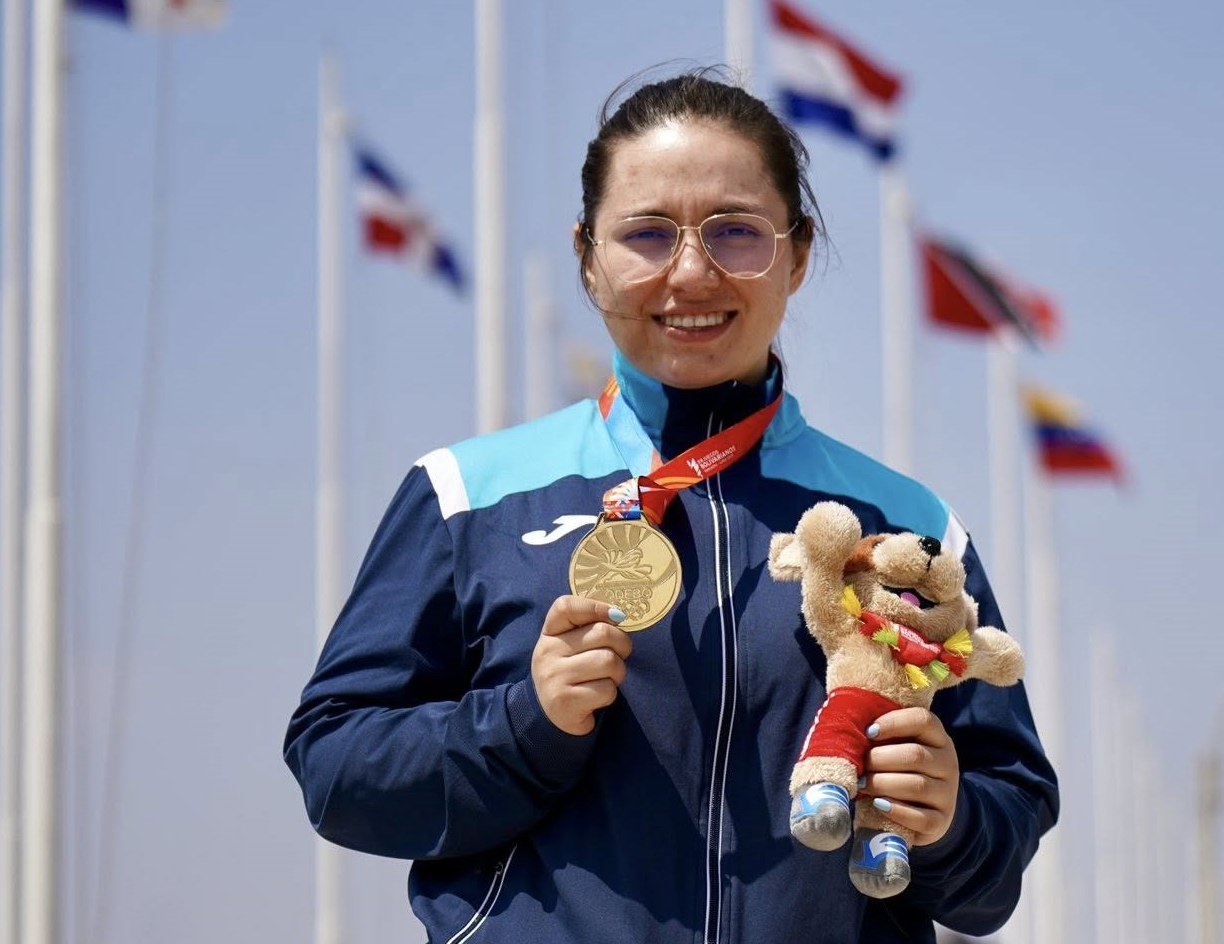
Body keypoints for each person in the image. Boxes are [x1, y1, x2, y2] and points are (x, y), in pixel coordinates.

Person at [284, 68, 1058, 944]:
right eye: (647, 235)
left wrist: (951, 821)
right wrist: (522, 724)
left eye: (736, 232)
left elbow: (1005, 833)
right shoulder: (466, 497)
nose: (691, 273)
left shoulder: (907, 527)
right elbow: (335, 768)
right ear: (588, 256)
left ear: (797, 254)